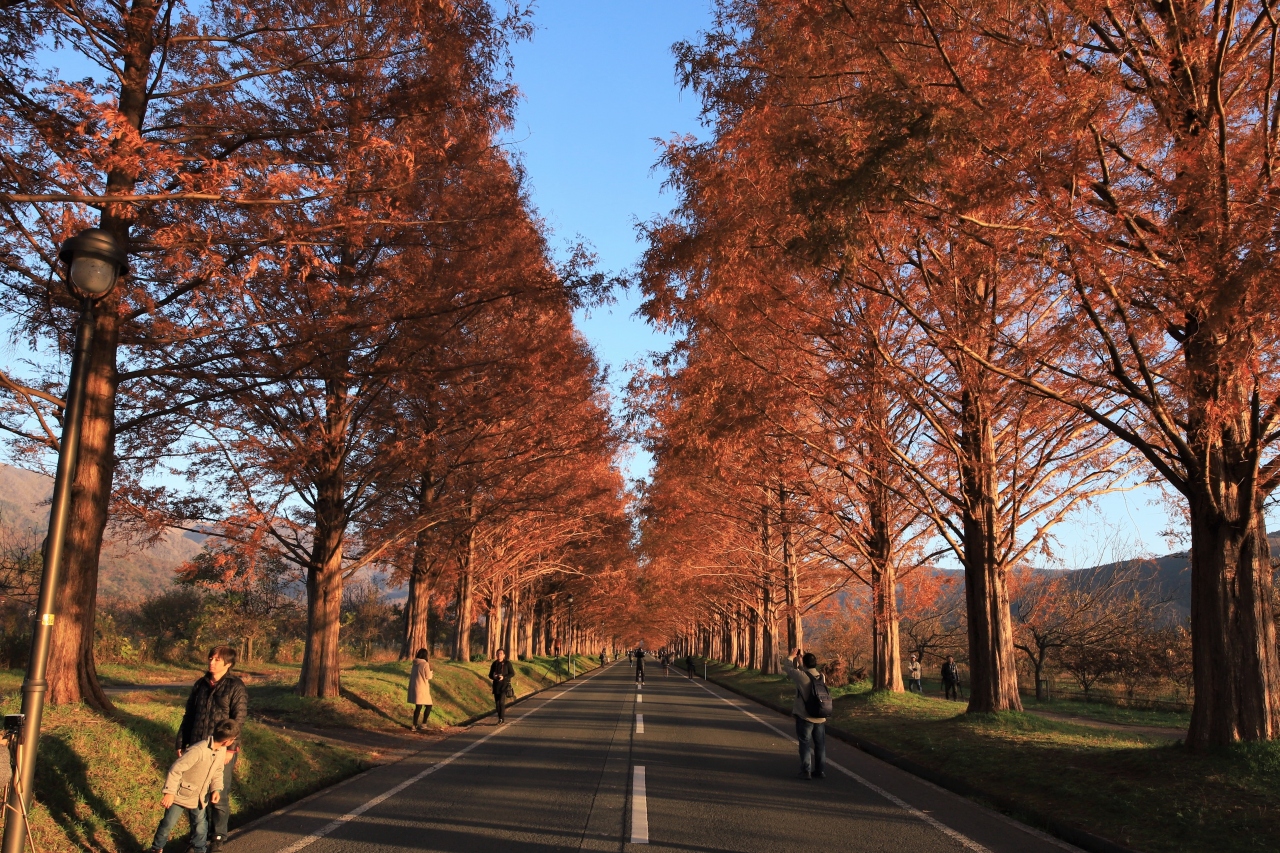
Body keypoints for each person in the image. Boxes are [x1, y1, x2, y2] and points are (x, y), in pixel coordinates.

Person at [177, 646, 248, 852]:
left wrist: (231, 748)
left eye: (217, 660)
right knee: (196, 794)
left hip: (222, 748)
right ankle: (198, 837)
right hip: (199, 747)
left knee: (219, 793)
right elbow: (189, 715)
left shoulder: (236, 687)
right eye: (211, 658)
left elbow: (238, 720)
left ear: (228, 664)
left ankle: (218, 836)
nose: (212, 662)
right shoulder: (200, 685)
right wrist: (182, 743)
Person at [148, 719, 236, 853]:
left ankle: (200, 849)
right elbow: (176, 769)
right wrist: (169, 792)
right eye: (233, 739)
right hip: (179, 795)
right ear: (227, 741)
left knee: (201, 826)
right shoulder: (198, 750)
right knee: (167, 824)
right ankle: (156, 848)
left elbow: (218, 771)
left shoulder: (221, 750)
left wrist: (216, 789)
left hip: (199, 797)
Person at [782, 648, 827, 780]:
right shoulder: (821, 676)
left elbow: (788, 668)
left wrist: (791, 656)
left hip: (804, 715)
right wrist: (802, 663)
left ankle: (806, 770)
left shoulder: (801, 676)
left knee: (805, 743)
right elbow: (808, 674)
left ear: (806, 664)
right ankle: (820, 771)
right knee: (820, 744)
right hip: (820, 715)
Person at [408, 648, 433, 731]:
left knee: (418, 707)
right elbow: (428, 676)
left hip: (415, 687)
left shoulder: (415, 663)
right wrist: (431, 672)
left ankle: (414, 725)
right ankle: (424, 724)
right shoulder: (425, 664)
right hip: (422, 688)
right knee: (429, 705)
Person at [489, 648, 516, 723]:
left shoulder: (507, 663)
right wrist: (493, 676)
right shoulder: (494, 664)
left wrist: (504, 677)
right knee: (497, 704)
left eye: (501, 653)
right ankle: (499, 717)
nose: (499, 655)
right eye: (498, 653)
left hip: (504, 685)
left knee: (501, 702)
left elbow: (512, 673)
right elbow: (490, 675)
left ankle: (501, 718)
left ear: (504, 655)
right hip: (496, 685)